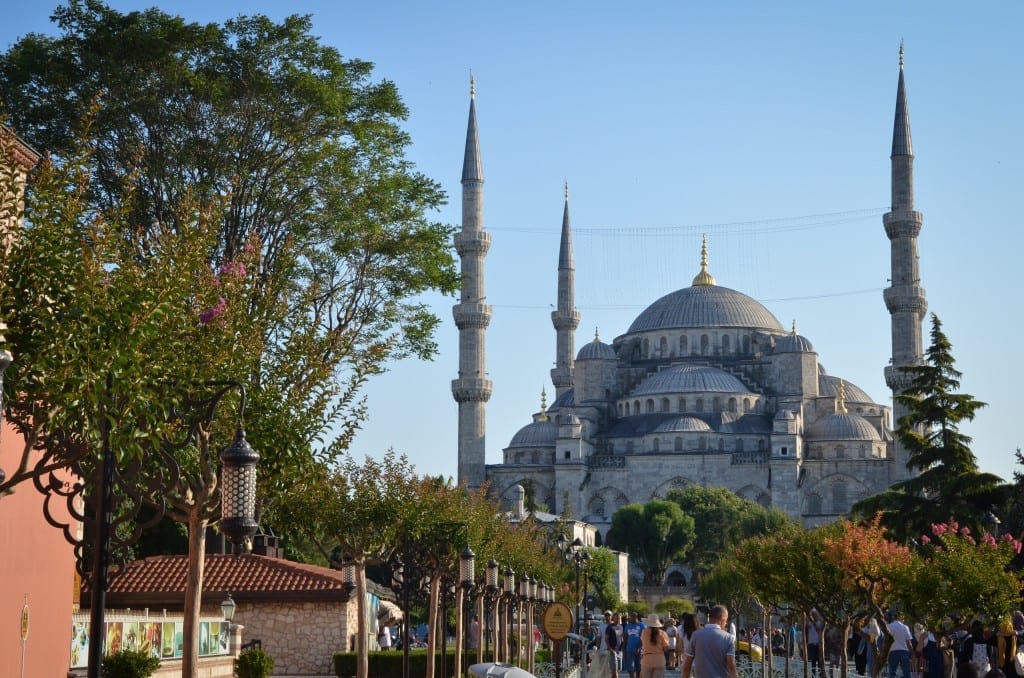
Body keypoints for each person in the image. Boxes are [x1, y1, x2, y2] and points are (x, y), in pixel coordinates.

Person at [682, 604, 738, 678]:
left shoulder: (696, 635)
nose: (726, 623)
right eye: (726, 620)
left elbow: (687, 666)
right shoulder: (728, 638)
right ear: (722, 618)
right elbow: (731, 666)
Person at [640, 614, 670, 678]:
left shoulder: (644, 632)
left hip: (647, 658)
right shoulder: (663, 633)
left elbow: (643, 643)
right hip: (659, 659)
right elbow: (666, 648)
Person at [887, 611, 915, 678]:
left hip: (892, 651)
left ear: (894, 617)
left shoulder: (889, 626)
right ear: (901, 618)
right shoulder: (905, 627)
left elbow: (886, 641)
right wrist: (912, 653)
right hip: (904, 652)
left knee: (892, 672)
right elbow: (909, 643)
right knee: (906, 673)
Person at [624, 611, 646, 678]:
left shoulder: (642, 625)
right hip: (629, 650)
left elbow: (644, 638)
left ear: (635, 617)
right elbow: (625, 637)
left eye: (630, 617)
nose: (629, 618)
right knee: (631, 669)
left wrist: (639, 648)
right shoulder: (628, 626)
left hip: (639, 651)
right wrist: (624, 648)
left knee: (638, 669)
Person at [806, 610, 824, 677]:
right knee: (813, 661)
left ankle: (820, 675)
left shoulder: (820, 623)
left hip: (818, 644)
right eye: (813, 615)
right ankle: (813, 675)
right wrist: (809, 613)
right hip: (812, 644)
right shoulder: (810, 623)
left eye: (815, 614)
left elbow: (823, 621)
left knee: (820, 661)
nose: (814, 616)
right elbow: (806, 621)